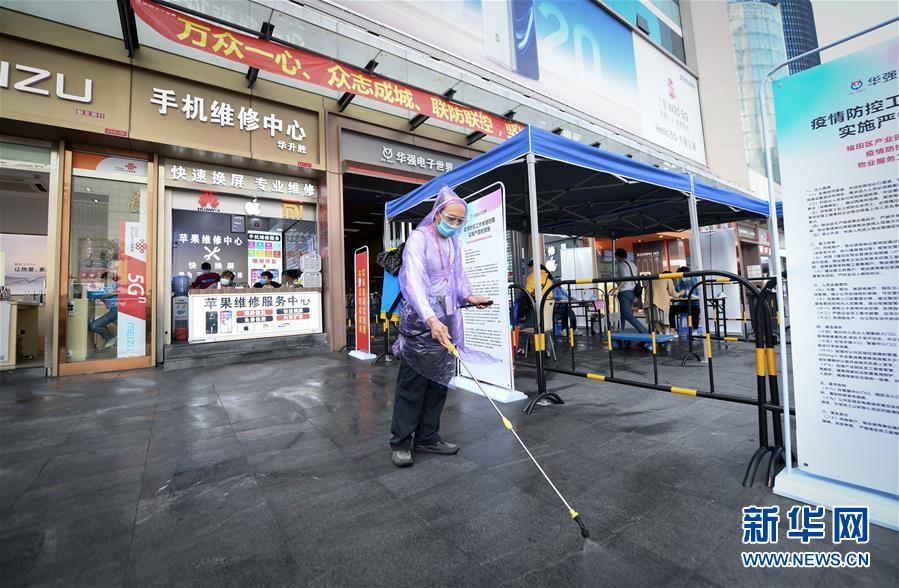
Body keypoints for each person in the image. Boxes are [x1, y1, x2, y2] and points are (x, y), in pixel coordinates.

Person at [390, 186, 490, 468]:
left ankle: (428, 437)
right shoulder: (419, 238)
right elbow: (413, 282)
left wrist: (469, 297)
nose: (455, 225)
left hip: (446, 318)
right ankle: (401, 442)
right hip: (420, 321)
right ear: (437, 214)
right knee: (413, 383)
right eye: (451, 218)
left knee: (438, 381)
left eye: (460, 221)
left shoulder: (454, 242)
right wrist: (430, 319)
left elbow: (457, 277)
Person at [612, 248, 647, 335]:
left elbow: (624, 279)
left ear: (617, 256)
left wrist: (618, 289)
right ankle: (621, 332)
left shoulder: (621, 265)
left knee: (627, 314)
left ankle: (644, 331)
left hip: (625, 292)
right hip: (632, 292)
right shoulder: (632, 264)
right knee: (622, 314)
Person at [88, 266, 119, 349]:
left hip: (116, 310)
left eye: (105, 279)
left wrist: (88, 294)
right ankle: (113, 340)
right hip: (114, 310)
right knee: (122, 327)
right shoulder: (108, 287)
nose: (103, 281)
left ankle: (111, 338)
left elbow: (104, 294)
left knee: (94, 325)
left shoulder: (115, 285)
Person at [671, 266, 700, 332]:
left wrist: (687, 292)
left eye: (680, 276)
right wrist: (677, 293)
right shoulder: (681, 282)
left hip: (693, 304)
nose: (680, 278)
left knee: (695, 311)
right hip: (682, 304)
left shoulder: (694, 280)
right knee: (671, 310)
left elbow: (698, 296)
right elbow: (676, 292)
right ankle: (672, 330)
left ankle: (695, 331)